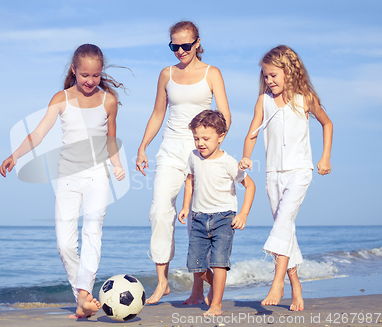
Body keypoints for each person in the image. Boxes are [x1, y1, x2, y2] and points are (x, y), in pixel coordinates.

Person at [0, 44, 126, 318]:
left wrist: (116, 165)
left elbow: (111, 139)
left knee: (92, 233)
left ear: (101, 72)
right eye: (84, 75)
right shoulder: (62, 98)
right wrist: (15, 156)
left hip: (97, 176)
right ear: (74, 70)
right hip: (67, 177)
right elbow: (38, 134)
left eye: (95, 75)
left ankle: (83, 295)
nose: (90, 81)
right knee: (65, 244)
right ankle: (80, 298)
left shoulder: (108, 100)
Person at [135, 20, 231, 305]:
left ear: (197, 43)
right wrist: (142, 147)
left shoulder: (212, 73)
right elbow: (157, 114)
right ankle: (163, 281)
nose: (180, 51)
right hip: (170, 149)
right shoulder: (166, 74)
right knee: (160, 210)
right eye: (174, 46)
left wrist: (213, 149)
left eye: (185, 45)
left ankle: (198, 290)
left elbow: (224, 115)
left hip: (199, 150)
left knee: (196, 221)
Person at [238, 45, 333, 311]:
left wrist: (325, 157)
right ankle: (296, 285)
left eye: (273, 76)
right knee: (285, 229)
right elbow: (252, 133)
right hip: (272, 175)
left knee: (282, 221)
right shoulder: (264, 101)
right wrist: (246, 156)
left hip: (300, 171)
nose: (269, 81)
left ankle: (278, 281)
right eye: (265, 76)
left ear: (289, 71)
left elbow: (327, 123)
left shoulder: (305, 98)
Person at [178, 110, 255, 316]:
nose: (200, 143)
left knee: (219, 263)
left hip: (223, 218)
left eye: (205, 138)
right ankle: (217, 288)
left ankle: (216, 305)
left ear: (220, 137)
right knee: (196, 266)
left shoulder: (228, 162)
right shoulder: (193, 157)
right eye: (196, 138)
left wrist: (243, 214)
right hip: (198, 217)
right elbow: (190, 181)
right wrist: (186, 206)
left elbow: (250, 186)